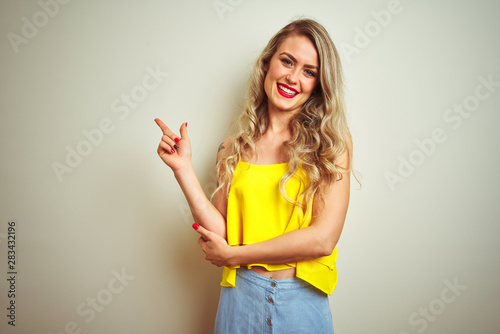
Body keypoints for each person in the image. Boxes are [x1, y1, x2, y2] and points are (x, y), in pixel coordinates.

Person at [154, 18, 353, 334]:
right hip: (239, 299)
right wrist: (183, 170)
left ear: (318, 83)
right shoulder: (234, 146)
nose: (292, 77)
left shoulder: (330, 143)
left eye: (309, 71)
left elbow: (322, 239)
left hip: (301, 300)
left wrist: (234, 255)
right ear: (267, 64)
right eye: (286, 61)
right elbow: (224, 231)